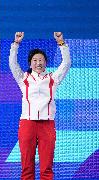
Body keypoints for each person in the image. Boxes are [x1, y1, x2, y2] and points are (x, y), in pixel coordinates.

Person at [9, 32, 71, 179]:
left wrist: (61, 43)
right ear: (30, 63)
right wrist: (15, 44)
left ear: (46, 63)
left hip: (47, 125)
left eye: (41, 60)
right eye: (35, 60)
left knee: (46, 168)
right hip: (27, 124)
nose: (38, 63)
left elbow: (66, 64)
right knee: (26, 167)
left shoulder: (52, 79)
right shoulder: (23, 78)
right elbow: (12, 63)